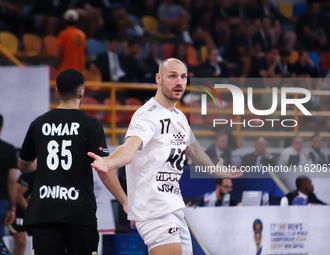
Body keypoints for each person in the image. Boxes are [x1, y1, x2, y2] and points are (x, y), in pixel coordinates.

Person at [88, 58, 243, 255]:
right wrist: (108, 162)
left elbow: (194, 151)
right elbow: (129, 148)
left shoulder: (179, 117)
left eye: (183, 77)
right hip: (153, 208)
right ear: (158, 79)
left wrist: (215, 170)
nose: (179, 82)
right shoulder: (147, 115)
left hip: (173, 205)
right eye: (172, 76)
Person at [18, 69, 128, 255]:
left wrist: (43, 160)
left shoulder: (39, 123)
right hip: (79, 212)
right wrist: (125, 201)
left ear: (57, 91)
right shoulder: (90, 124)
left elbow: (24, 165)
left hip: (45, 212)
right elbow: (103, 167)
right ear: (82, 92)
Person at [0, 114, 17, 254]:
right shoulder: (8, 149)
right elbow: (12, 181)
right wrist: (13, 207)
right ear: (1, 128)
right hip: (1, 201)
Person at [9, 171, 36, 255]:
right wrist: (32, 211)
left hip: (34, 213)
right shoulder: (30, 174)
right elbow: (18, 194)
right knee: (21, 242)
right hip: (19, 212)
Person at [57, 9, 86, 74]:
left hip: (66, 71)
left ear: (64, 21)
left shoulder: (63, 34)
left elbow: (60, 53)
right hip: (79, 72)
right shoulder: (82, 35)